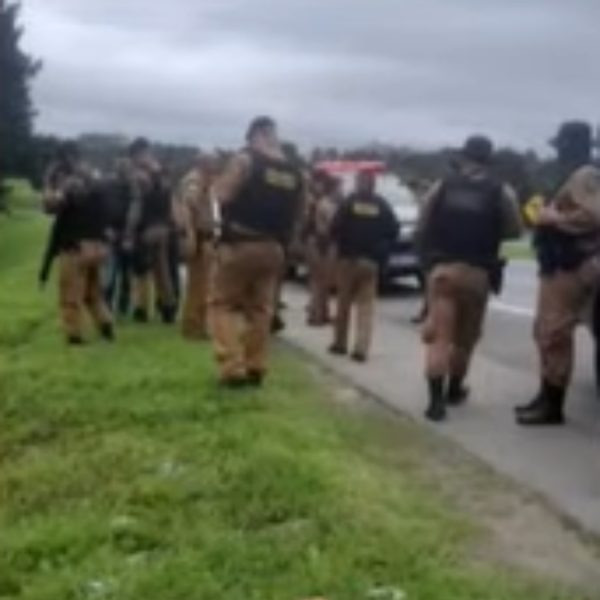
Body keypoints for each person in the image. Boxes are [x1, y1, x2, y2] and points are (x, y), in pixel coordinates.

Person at [418, 136, 522, 422]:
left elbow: (423, 223)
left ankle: (435, 404)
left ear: (463, 158)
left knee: (440, 338)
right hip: (478, 273)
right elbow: (514, 232)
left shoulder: (442, 186)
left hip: (443, 271)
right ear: (488, 161)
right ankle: (454, 390)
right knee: (464, 341)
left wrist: (427, 259)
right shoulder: (502, 191)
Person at [516, 122, 600, 426]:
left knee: (554, 333)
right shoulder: (574, 174)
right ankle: (545, 395)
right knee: (544, 332)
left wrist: (554, 218)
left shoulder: (585, 175)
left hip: (571, 265)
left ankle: (553, 406)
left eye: (561, 146)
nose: (557, 152)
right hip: (558, 265)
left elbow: (593, 215)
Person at [210, 116, 304, 386]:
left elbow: (222, 195)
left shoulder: (246, 160)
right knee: (262, 309)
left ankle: (232, 365)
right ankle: (256, 365)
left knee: (222, 304)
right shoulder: (294, 171)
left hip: (240, 243)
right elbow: (300, 212)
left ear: (254, 135)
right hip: (274, 248)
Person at [41, 142, 115, 345]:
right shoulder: (96, 178)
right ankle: (106, 324)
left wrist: (49, 184)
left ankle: (74, 334)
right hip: (98, 245)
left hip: (75, 246)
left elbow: (50, 206)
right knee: (94, 293)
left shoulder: (69, 182)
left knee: (70, 294)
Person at [329, 169, 399, 362]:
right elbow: (394, 231)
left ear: (359, 183)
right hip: (371, 262)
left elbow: (334, 228)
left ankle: (340, 344)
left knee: (343, 304)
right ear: (373, 184)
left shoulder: (348, 202)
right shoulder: (382, 205)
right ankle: (361, 348)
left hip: (348, 260)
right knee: (366, 307)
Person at [123, 138, 177, 324]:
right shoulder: (162, 173)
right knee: (162, 270)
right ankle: (168, 307)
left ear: (135, 155)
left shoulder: (138, 176)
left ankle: (141, 309)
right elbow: (170, 201)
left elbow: (136, 206)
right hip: (163, 227)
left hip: (145, 228)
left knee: (141, 270)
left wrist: (129, 233)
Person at [173, 153, 218, 340]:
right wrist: (190, 237)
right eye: (212, 162)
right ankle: (193, 326)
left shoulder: (204, 181)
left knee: (204, 285)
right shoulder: (194, 183)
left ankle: (199, 324)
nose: (215, 166)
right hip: (200, 238)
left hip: (205, 237)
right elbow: (188, 211)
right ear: (203, 163)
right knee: (198, 286)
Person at [306, 172, 339, 326]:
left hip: (315, 241)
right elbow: (330, 227)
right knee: (321, 282)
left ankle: (320, 312)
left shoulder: (319, 202)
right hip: (322, 244)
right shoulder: (326, 204)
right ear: (332, 188)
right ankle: (317, 315)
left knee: (318, 281)